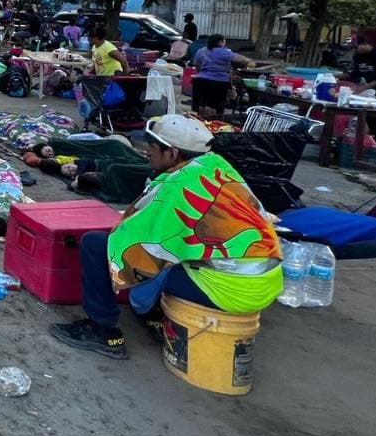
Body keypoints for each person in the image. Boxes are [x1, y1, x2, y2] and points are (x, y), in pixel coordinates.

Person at [50, 115, 282, 359]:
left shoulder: (178, 184)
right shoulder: (218, 166)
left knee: (98, 245)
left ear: (171, 153)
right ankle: (154, 317)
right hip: (267, 282)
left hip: (229, 289)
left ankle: (104, 332)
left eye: (151, 150)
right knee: (178, 249)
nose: (147, 155)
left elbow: (138, 240)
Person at [191, 34, 253, 116]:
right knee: (212, 108)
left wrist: (204, 73)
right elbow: (240, 59)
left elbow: (197, 67)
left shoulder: (201, 51)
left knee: (201, 106)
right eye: (224, 41)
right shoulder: (223, 51)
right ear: (220, 42)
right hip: (218, 83)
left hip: (200, 81)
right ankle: (212, 125)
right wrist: (250, 62)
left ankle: (201, 124)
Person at [350, 37, 376, 148]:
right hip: (369, 95)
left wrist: (364, 87)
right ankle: (374, 145)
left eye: (358, 46)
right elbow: (355, 74)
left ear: (367, 44)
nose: (356, 49)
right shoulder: (358, 56)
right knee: (370, 118)